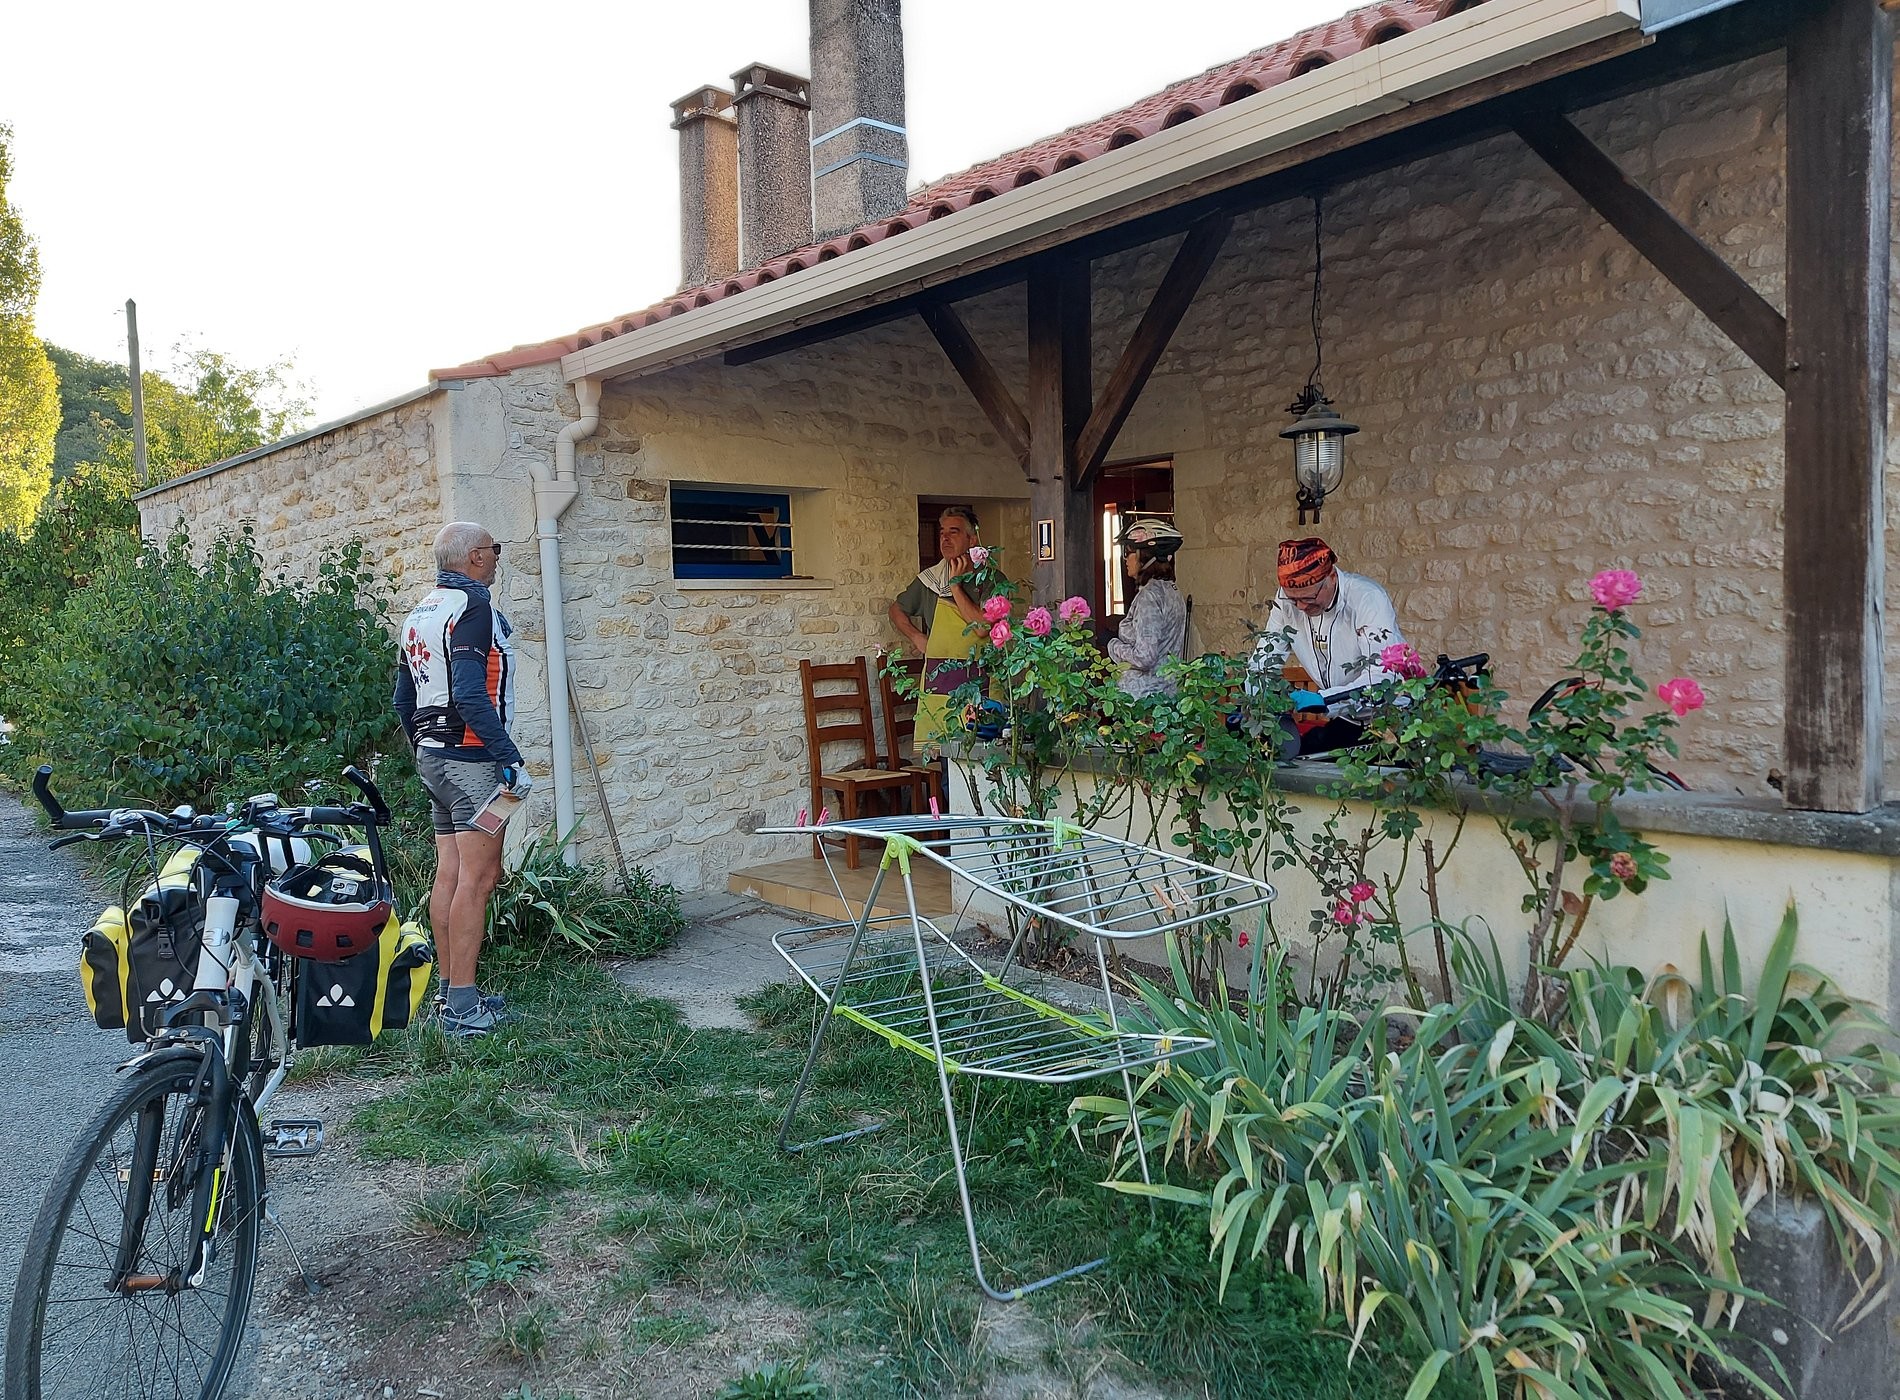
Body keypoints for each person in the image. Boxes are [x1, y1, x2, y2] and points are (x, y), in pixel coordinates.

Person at [393, 522, 531, 1038]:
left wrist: (426, 748)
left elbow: (403, 701)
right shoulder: (473, 610)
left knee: (449, 873)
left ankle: (452, 994)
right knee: (480, 877)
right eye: (494, 550)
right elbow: (472, 695)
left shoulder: (421, 612)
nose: (497, 558)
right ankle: (464, 1009)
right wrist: (507, 756)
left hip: (437, 757)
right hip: (471, 759)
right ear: (475, 557)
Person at [1250, 536, 1407, 754]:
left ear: (1332, 577)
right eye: (1294, 600)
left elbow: (1382, 677)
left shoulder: (1367, 598)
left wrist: (1323, 700)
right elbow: (1263, 661)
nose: (1301, 606)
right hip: (1347, 720)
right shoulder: (1288, 601)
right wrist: (1257, 699)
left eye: (1309, 597)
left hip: (1393, 721)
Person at [887, 505, 989, 747]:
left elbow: (982, 628)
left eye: (953, 532)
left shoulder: (990, 579)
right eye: (942, 532)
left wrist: (955, 587)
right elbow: (896, 609)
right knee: (946, 766)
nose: (944, 538)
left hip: (979, 683)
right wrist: (916, 637)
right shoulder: (929, 580)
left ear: (971, 539)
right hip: (940, 683)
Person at [1107, 518, 1187, 698]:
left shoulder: (1149, 597)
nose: (1125, 558)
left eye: (1129, 552)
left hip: (1144, 700)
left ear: (1145, 556)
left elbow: (1145, 656)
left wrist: (1113, 645)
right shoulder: (1172, 591)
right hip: (1167, 692)